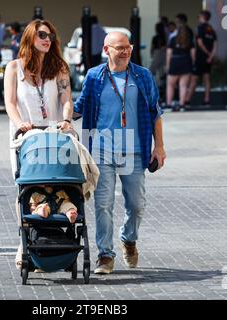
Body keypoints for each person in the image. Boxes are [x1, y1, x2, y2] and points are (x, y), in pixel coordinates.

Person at [74, 32, 166, 275]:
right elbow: (80, 107)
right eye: (119, 48)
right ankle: (105, 255)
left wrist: (159, 147)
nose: (125, 51)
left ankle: (129, 238)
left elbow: (155, 113)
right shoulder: (94, 76)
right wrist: (59, 118)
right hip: (102, 149)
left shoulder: (142, 76)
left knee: (136, 205)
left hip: (134, 150)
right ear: (106, 50)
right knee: (103, 204)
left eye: (128, 47)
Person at [4, 19, 75, 269]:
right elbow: (10, 103)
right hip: (26, 137)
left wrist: (67, 119)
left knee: (56, 184)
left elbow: (67, 99)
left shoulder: (59, 68)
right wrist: (21, 123)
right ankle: (24, 241)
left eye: (51, 35)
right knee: (25, 187)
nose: (48, 39)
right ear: (30, 38)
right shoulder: (14, 68)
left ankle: (57, 240)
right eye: (42, 35)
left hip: (54, 135)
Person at [186, 10, 217, 106]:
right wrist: (211, 56)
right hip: (208, 59)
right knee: (207, 79)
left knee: (194, 79)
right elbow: (215, 45)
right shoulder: (211, 29)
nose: (198, 19)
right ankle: (207, 99)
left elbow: (199, 43)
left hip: (200, 57)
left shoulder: (199, 28)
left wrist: (207, 53)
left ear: (202, 17)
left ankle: (187, 100)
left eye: (199, 17)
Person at [166, 25, 195, 111]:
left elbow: (169, 54)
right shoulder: (189, 40)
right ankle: (182, 105)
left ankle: (169, 104)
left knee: (170, 84)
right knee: (183, 85)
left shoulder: (173, 39)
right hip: (186, 61)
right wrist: (192, 63)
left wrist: (168, 65)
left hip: (175, 61)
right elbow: (193, 54)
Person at [150, 22, 167, 104]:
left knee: (153, 72)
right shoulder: (166, 37)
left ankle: (156, 93)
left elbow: (152, 48)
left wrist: (152, 54)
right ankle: (162, 93)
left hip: (157, 54)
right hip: (164, 55)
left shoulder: (155, 37)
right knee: (162, 74)